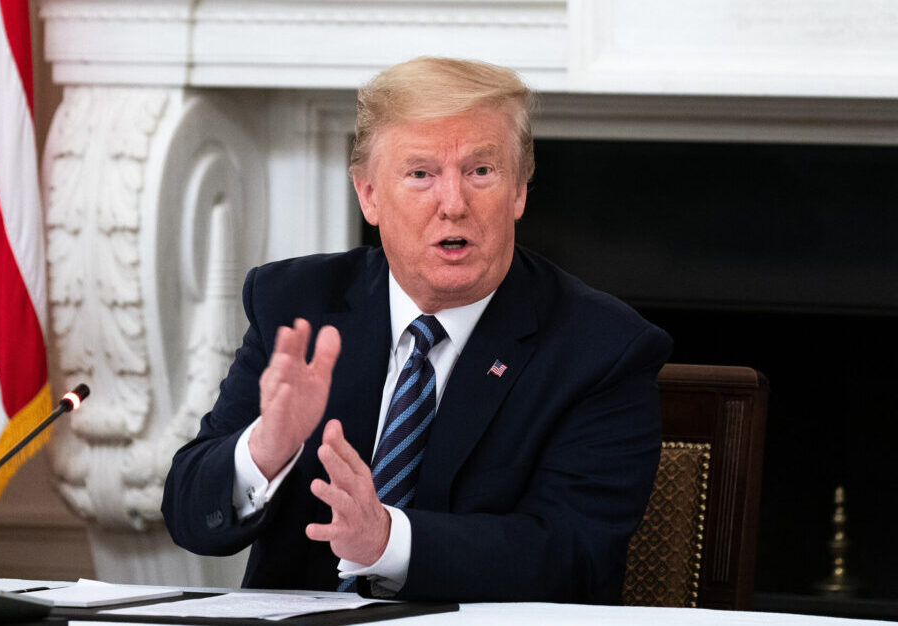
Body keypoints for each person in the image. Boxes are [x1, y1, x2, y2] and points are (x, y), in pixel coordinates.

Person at [161, 57, 672, 603]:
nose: (453, 205)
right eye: (421, 174)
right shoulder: (297, 303)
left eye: (481, 171)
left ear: (520, 191)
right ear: (369, 195)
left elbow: (572, 555)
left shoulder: (602, 348)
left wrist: (388, 541)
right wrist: (265, 448)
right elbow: (190, 515)